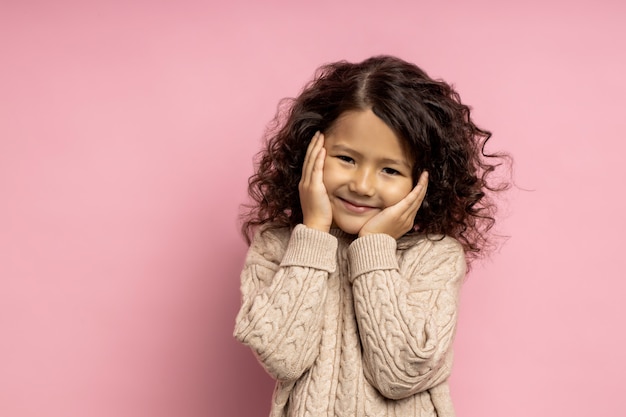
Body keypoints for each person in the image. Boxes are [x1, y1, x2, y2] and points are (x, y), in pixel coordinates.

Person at [234, 55, 508, 417]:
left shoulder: (434, 257)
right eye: (346, 159)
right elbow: (282, 357)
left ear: (423, 181)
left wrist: (374, 249)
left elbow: (401, 373)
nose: (362, 185)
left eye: (390, 169)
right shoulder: (279, 247)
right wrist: (313, 232)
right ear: (309, 154)